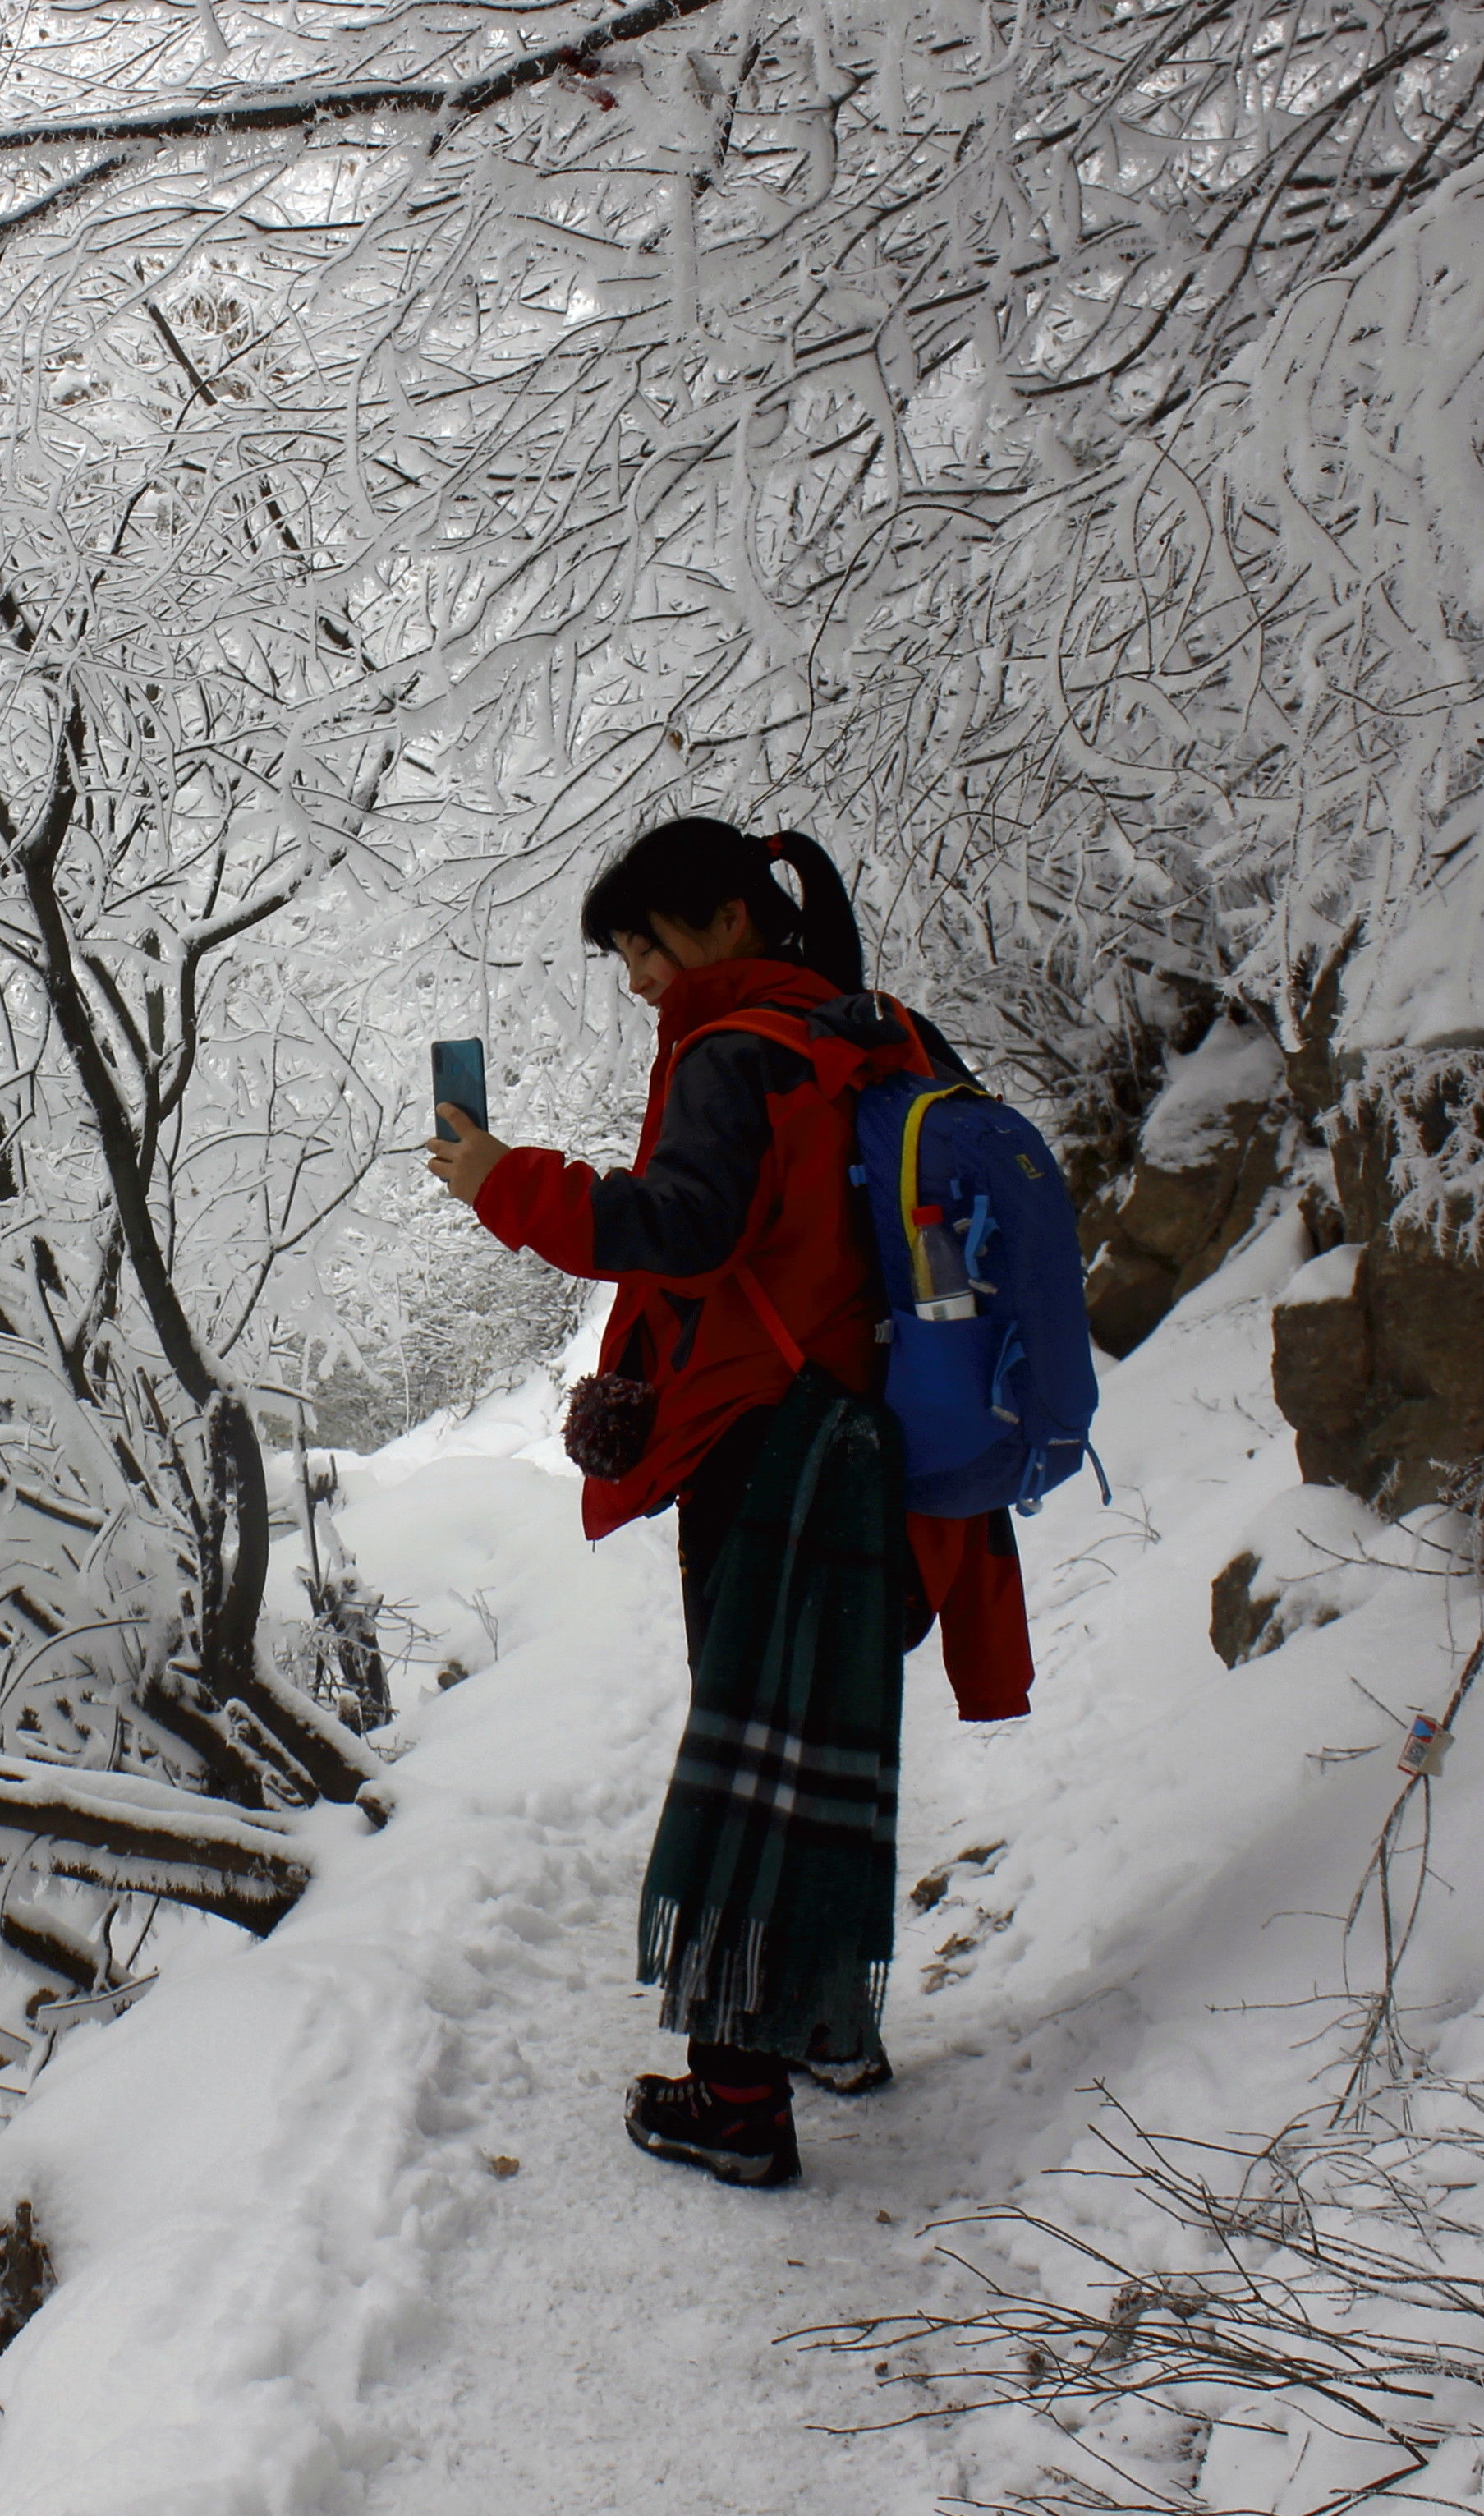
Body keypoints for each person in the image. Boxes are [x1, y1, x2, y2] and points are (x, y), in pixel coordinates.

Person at [424, 818, 1031, 2189]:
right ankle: (828, 2028)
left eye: (646, 942)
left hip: (778, 1447)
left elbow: (686, 1228)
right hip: (886, 1439)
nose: (638, 976)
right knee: (830, 1749)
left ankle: (738, 2099)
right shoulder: (878, 1028)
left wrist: (504, 1183)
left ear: (725, 924)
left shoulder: (733, 1048)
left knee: (752, 1763)